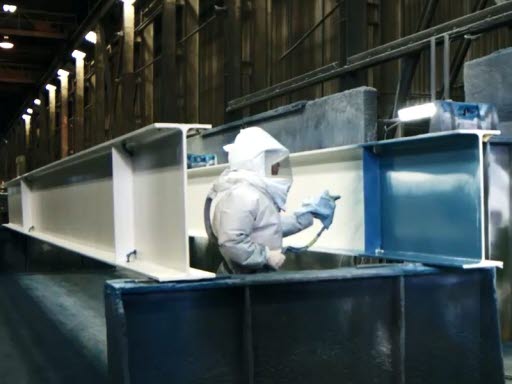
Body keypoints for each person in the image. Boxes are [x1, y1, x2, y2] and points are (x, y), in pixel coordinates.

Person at [206, 127, 338, 274]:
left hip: (253, 278)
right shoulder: (242, 195)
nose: (277, 169)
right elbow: (231, 242)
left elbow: (267, 227)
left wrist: (306, 215)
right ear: (254, 161)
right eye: (273, 163)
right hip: (241, 283)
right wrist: (266, 256)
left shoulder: (254, 192)